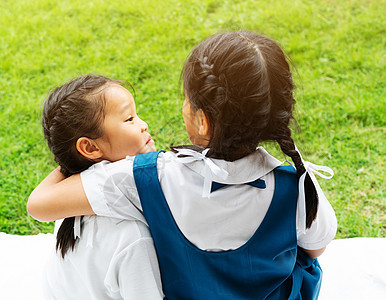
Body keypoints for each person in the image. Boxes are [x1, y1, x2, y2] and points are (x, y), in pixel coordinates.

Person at [28, 31, 337, 299]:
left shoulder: (144, 178)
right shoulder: (299, 187)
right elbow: (315, 250)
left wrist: (74, 155)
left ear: (201, 121)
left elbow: (39, 205)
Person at [31, 74, 163, 299]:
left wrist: (72, 160)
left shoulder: (68, 198)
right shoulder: (133, 237)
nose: (143, 125)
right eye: (129, 119)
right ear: (90, 148)